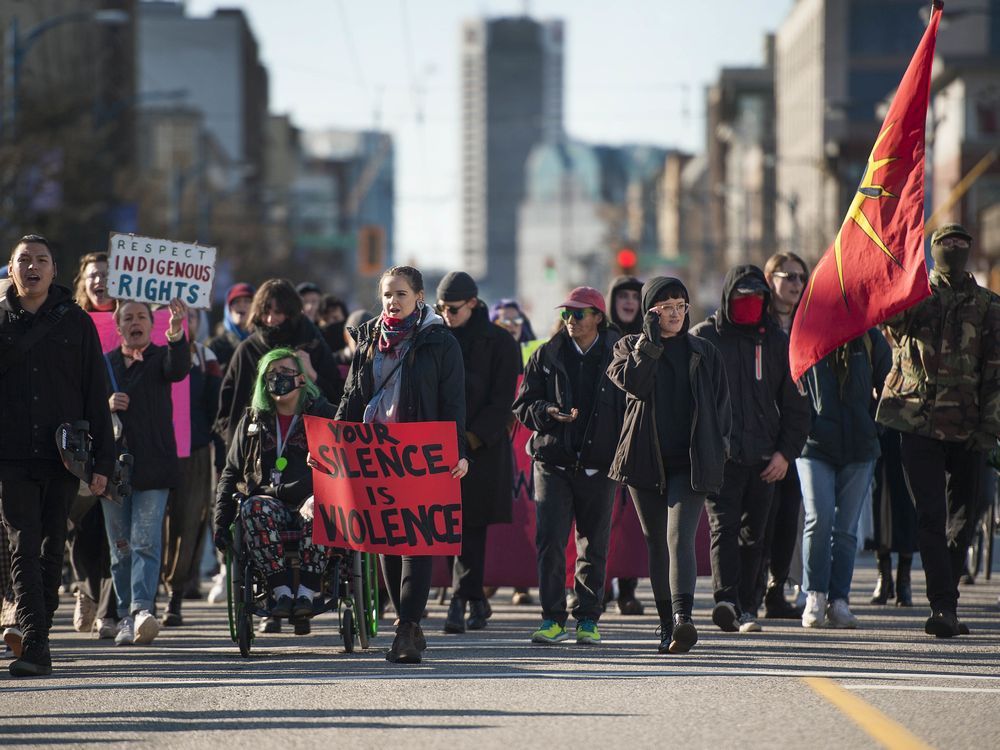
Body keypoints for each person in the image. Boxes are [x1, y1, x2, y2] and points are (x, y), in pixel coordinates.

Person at [337, 265, 468, 664]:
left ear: (419, 298)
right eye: (387, 295)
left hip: (419, 453)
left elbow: (454, 402)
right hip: (374, 453)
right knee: (385, 541)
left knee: (416, 540)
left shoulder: (439, 341)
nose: (393, 302)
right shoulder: (368, 340)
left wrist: (458, 450)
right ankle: (404, 620)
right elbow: (352, 398)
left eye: (401, 295)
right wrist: (331, 443)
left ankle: (408, 627)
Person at [876, 223, 1000, 637]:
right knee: (930, 515)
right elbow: (887, 318)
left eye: (963, 243)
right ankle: (943, 606)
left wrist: (990, 428)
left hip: (969, 426)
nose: (955, 248)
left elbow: (996, 374)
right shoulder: (913, 298)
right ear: (933, 250)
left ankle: (946, 591)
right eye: (947, 243)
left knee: (967, 514)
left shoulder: (988, 306)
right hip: (916, 420)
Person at [1, 235, 115, 676]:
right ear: (11, 269)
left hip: (63, 456)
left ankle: (37, 634)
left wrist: (103, 463)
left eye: (41, 260)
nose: (32, 267)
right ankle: (35, 645)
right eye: (24, 260)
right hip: (9, 455)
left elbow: (95, 393)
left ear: (53, 270)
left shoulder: (77, 323)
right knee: (21, 546)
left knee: (51, 546)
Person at [608, 277, 731, 654]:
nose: (675, 314)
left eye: (680, 306)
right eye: (665, 308)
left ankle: (683, 618)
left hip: (689, 463)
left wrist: (719, 449)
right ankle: (666, 627)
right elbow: (634, 384)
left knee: (679, 537)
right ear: (650, 312)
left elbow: (722, 406)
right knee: (656, 544)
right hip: (645, 461)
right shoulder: (628, 347)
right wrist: (649, 344)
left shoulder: (704, 350)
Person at [690, 265, 810, 634]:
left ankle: (747, 606)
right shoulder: (704, 339)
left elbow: (796, 405)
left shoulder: (776, 342)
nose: (750, 305)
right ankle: (726, 600)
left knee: (756, 535)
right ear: (728, 299)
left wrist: (785, 454)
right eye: (742, 299)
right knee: (723, 528)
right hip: (720, 458)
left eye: (757, 299)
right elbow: (688, 401)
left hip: (765, 458)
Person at [512, 287, 624, 646]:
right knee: (550, 542)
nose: (570, 320)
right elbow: (523, 406)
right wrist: (546, 412)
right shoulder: (547, 353)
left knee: (594, 546)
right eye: (566, 314)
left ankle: (588, 618)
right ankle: (552, 618)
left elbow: (633, 407)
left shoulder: (618, 353)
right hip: (552, 462)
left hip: (598, 466)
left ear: (598, 318)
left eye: (578, 314)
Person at [214, 349, 337, 618]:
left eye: (285, 373)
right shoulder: (252, 420)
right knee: (253, 507)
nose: (277, 380)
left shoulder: (324, 414)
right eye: (271, 375)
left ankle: (306, 592)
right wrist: (221, 521)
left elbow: (343, 463)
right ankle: (280, 592)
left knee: (321, 505)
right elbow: (231, 471)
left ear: (302, 379)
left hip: (310, 497)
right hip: (269, 503)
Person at [436, 272, 521, 634]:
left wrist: (470, 439)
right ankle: (476, 600)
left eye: (452, 309)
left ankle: (459, 600)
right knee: (447, 526)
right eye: (440, 308)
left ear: (472, 303)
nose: (446, 315)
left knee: (471, 527)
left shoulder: (500, 342)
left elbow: (503, 400)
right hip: (439, 447)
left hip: (481, 449)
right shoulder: (437, 338)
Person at [104, 298, 191, 646]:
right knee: (121, 547)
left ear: (151, 324)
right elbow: (81, 404)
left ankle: (142, 610)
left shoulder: (160, 359)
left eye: (142, 316)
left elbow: (179, 369)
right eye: (129, 317)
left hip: (154, 467)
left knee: (145, 541)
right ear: (118, 325)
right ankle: (124, 615)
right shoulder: (105, 365)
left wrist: (175, 333)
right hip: (110, 471)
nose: (135, 322)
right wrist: (105, 403)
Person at [797, 330, 891, 628]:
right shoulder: (807, 331)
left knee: (847, 529)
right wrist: (806, 424)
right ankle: (815, 594)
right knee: (819, 518)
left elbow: (889, 386)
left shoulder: (870, 338)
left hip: (860, 446)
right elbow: (790, 383)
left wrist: (873, 426)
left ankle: (839, 601)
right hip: (814, 445)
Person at [65, 252, 118, 639]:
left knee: (116, 527)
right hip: (81, 437)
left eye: (106, 275)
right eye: (92, 275)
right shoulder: (69, 322)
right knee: (83, 527)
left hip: (125, 439)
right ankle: (86, 590)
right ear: (82, 282)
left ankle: (108, 609)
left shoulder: (138, 319)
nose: (99, 281)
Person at [161, 307, 224, 626]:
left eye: (192, 317)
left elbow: (216, 408)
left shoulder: (206, 357)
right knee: (154, 525)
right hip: (155, 450)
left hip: (195, 450)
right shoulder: (149, 352)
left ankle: (175, 594)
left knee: (188, 522)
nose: (186, 322)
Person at [759, 252, 810, 619]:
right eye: (787, 275)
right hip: (760, 435)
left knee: (789, 514)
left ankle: (778, 589)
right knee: (763, 515)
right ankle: (754, 587)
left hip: (799, 433)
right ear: (768, 279)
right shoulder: (755, 324)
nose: (795, 283)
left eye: (800, 277)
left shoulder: (810, 322)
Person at [489, 298, 537, 606]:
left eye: (515, 321)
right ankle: (488, 580)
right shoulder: (488, 350)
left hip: (525, 443)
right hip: (495, 435)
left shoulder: (535, 351)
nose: (511, 326)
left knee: (526, 516)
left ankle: (523, 583)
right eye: (503, 321)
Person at [605, 275, 646, 615]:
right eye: (624, 295)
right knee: (602, 519)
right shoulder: (602, 336)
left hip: (638, 438)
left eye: (636, 295)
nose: (630, 301)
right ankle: (599, 586)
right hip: (604, 440)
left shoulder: (651, 337)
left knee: (632, 520)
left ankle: (628, 589)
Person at [206, 283, 255, 373]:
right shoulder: (216, 345)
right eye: (236, 301)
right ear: (228, 309)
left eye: (247, 301)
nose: (241, 305)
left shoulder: (262, 342)